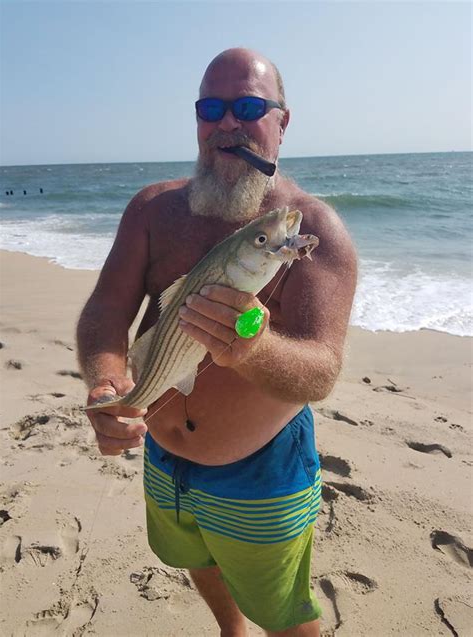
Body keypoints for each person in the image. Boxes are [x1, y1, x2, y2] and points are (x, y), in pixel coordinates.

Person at [77, 48, 357, 637]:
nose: (227, 123)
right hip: (161, 455)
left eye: (249, 106)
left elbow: (321, 372)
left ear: (282, 122)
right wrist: (106, 380)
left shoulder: (314, 230)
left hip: (260, 476)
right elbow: (106, 309)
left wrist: (251, 346)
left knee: (283, 610)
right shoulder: (154, 209)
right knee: (194, 560)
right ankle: (232, 632)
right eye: (211, 108)